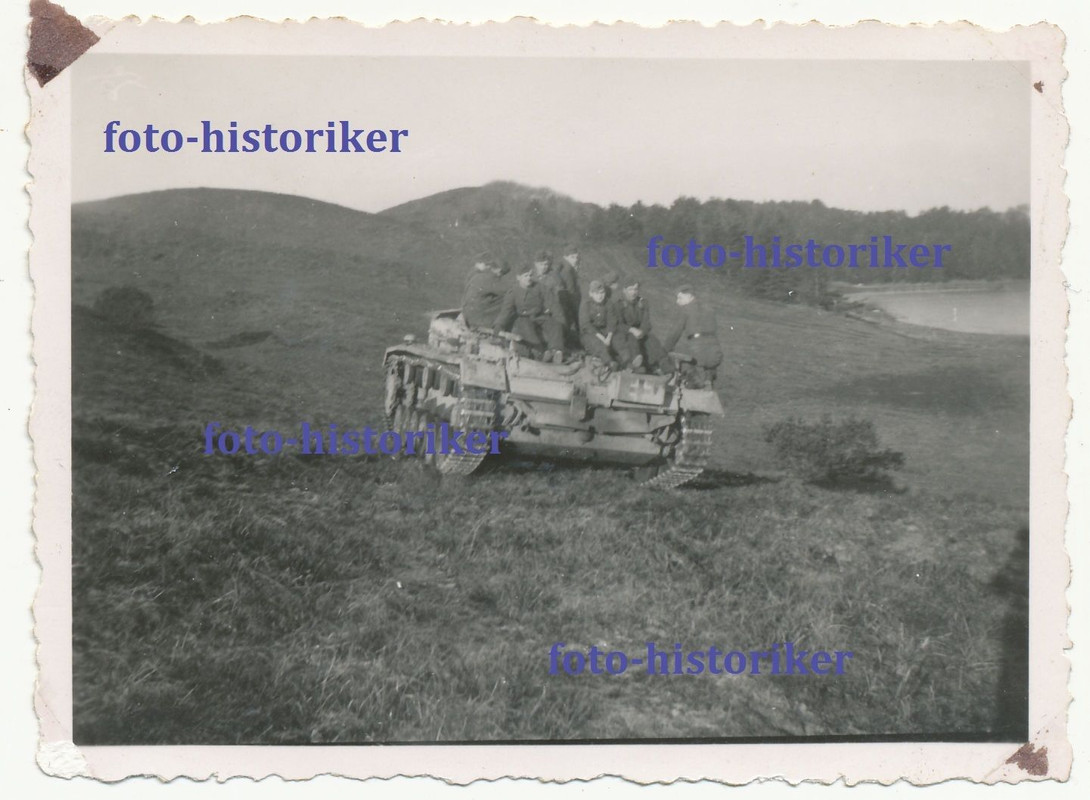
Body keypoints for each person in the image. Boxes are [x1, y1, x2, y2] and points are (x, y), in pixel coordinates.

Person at [493, 265, 567, 362]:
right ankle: (539, 353)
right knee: (528, 330)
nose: (529, 278)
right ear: (518, 277)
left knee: (554, 324)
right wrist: (498, 325)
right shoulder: (513, 291)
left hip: (539, 316)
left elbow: (553, 304)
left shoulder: (540, 287)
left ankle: (555, 351)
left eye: (530, 275)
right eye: (525, 276)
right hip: (523, 318)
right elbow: (506, 310)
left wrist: (561, 322)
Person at [662, 284, 723, 386]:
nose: (677, 301)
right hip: (716, 353)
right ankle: (709, 377)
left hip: (697, 352)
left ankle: (693, 380)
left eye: (680, 297)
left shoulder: (685, 310)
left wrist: (664, 351)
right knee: (708, 357)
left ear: (689, 296)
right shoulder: (709, 309)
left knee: (679, 358)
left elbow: (674, 334)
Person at [614, 279, 672, 374]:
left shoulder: (643, 303)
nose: (633, 292)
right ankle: (637, 364)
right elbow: (618, 324)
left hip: (639, 333)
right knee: (631, 340)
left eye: (636, 289)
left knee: (652, 340)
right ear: (624, 290)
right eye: (630, 289)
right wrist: (631, 329)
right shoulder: (618, 304)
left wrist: (642, 332)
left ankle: (665, 366)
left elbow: (646, 323)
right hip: (625, 334)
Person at [579, 280, 639, 369]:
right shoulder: (586, 304)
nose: (600, 296)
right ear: (591, 294)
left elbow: (612, 321)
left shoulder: (608, 303)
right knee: (597, 343)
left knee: (618, 338)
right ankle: (609, 362)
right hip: (591, 333)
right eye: (596, 293)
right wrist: (603, 338)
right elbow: (586, 325)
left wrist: (609, 336)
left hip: (605, 330)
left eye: (602, 293)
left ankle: (628, 361)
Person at [461, 259, 509, 329]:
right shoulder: (492, 278)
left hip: (467, 314)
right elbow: (508, 291)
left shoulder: (477, 275)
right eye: (502, 274)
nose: (500, 277)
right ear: (499, 270)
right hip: (477, 319)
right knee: (509, 300)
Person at [556, 244, 582, 323]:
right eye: (572, 257)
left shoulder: (568, 267)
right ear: (565, 257)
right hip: (569, 301)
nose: (575, 260)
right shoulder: (568, 270)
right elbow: (571, 291)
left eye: (576, 257)